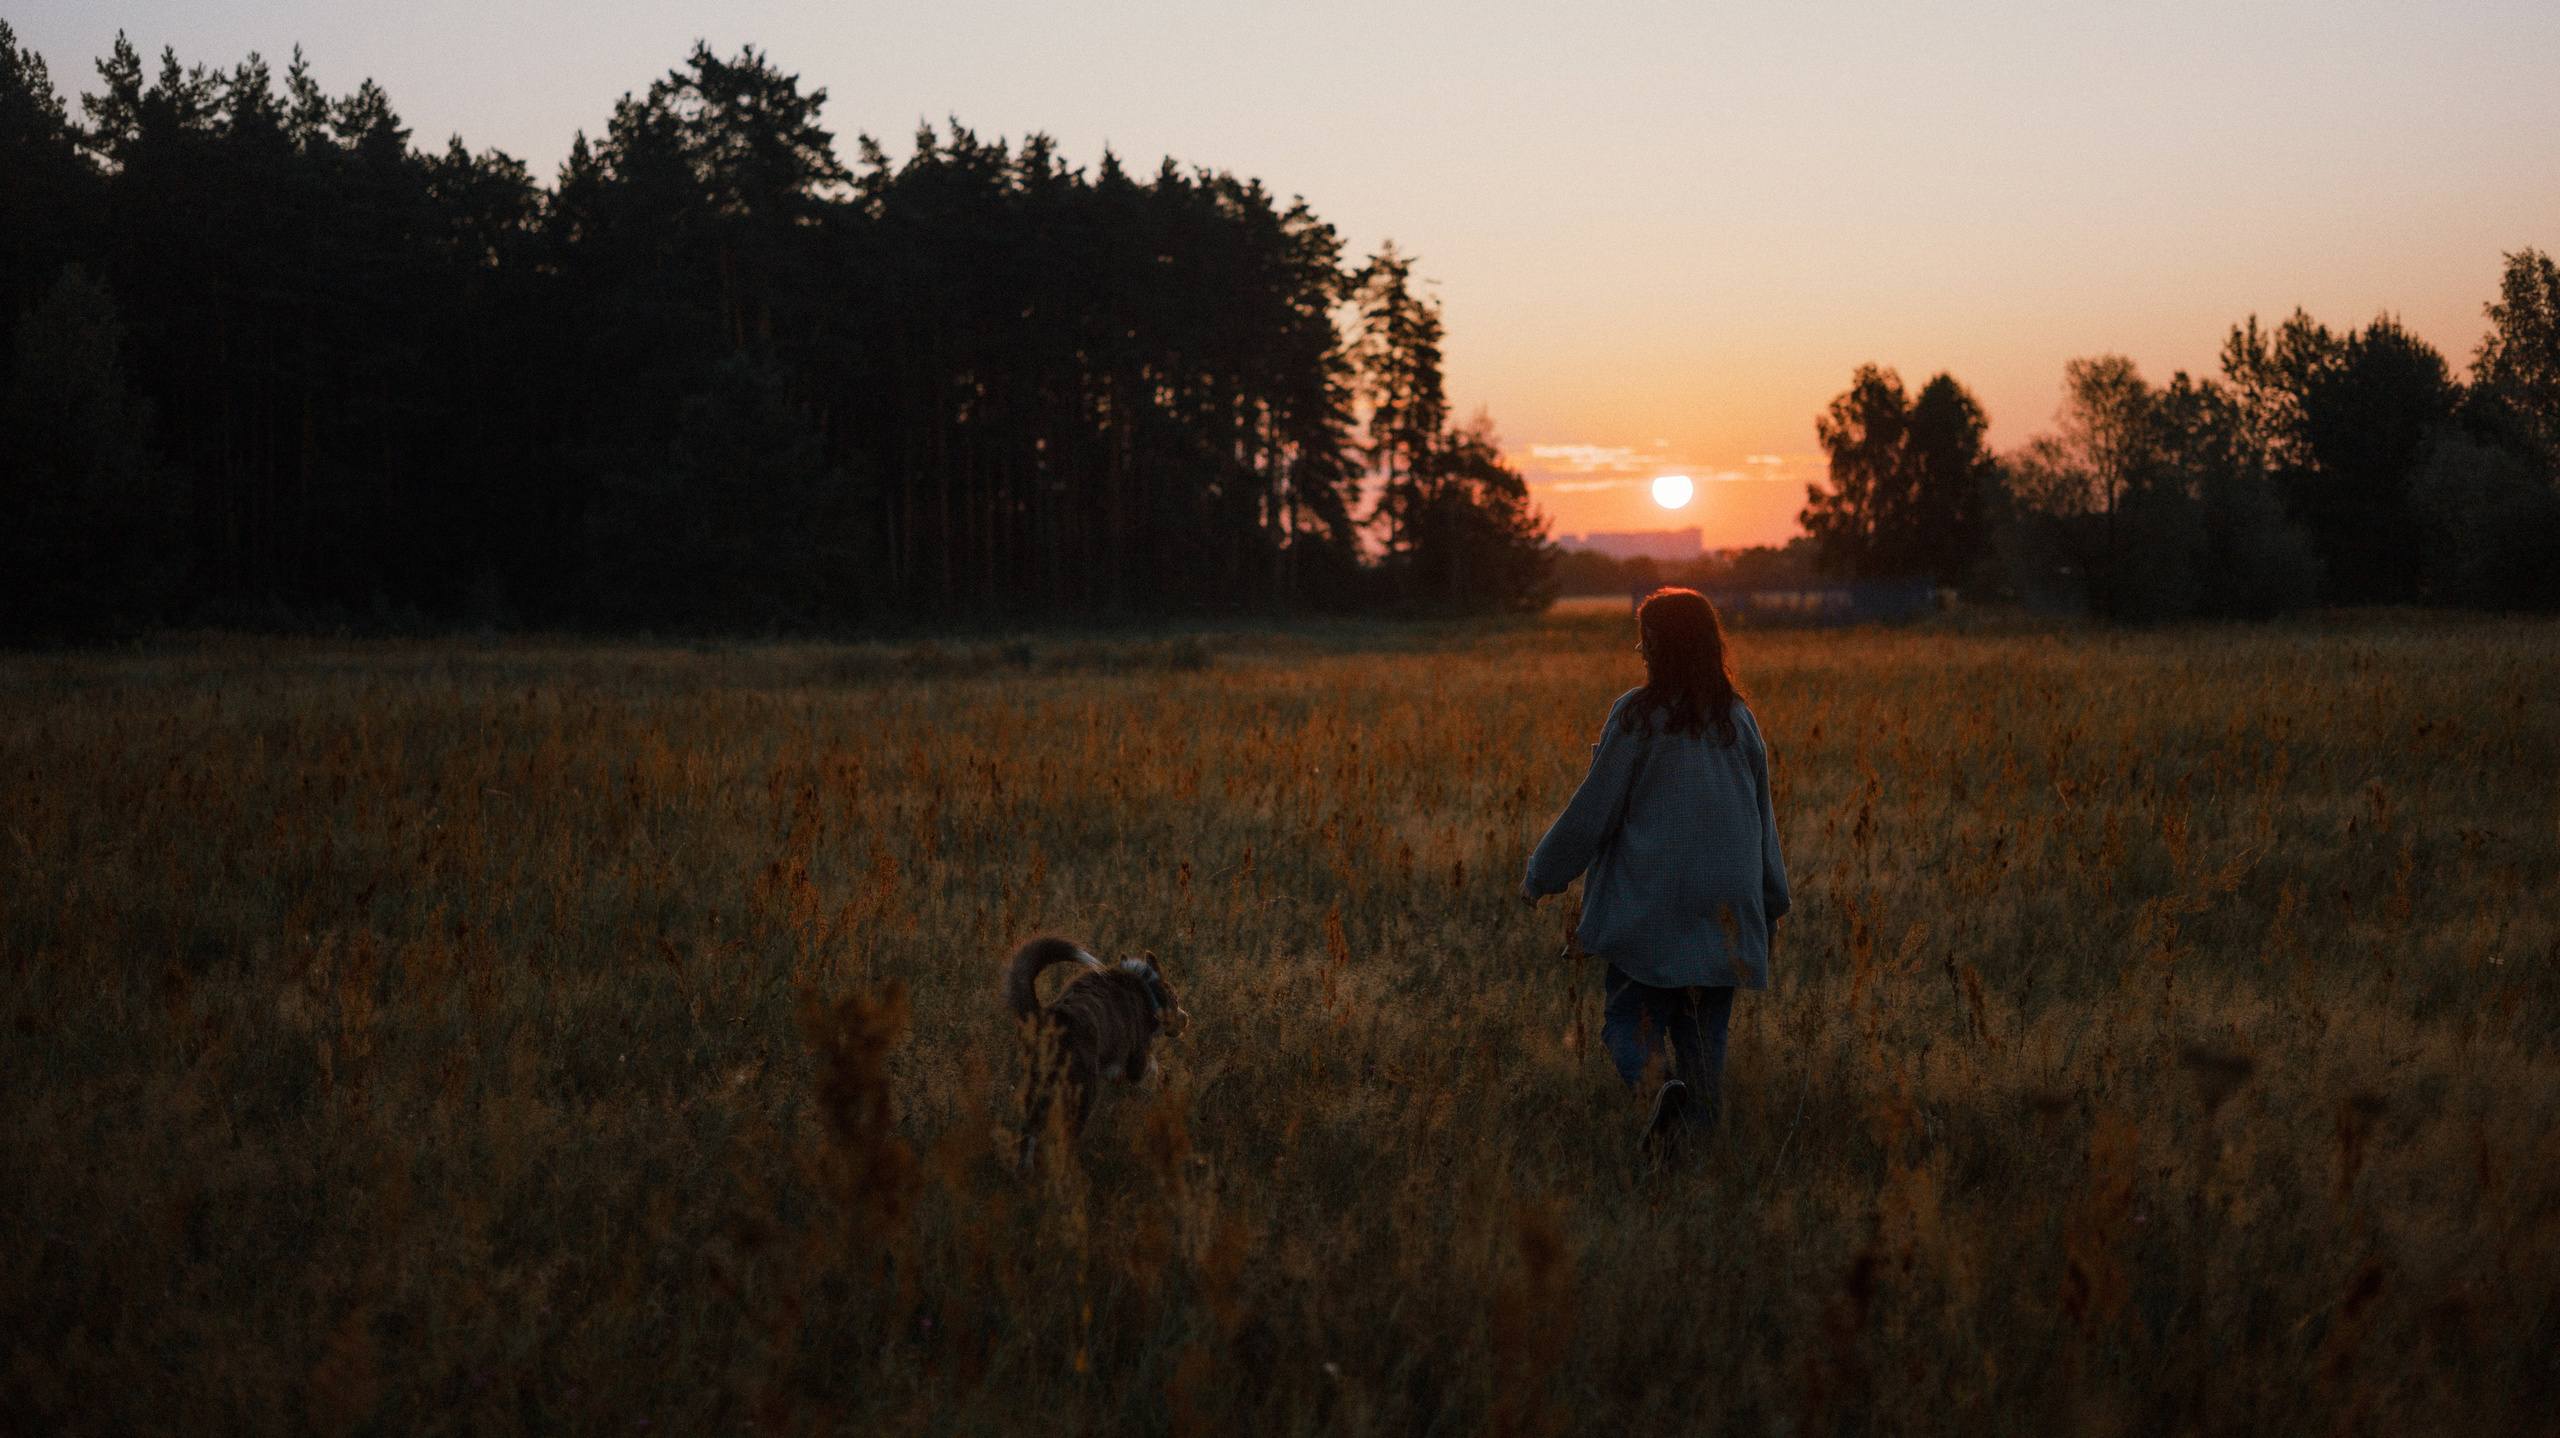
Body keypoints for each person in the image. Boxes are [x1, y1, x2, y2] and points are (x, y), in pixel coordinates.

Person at [1522, 587, 1789, 1154]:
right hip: (1727, 914)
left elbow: (1592, 812)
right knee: (1704, 1042)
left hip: (1653, 908)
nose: (1639, 650)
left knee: (1627, 1023)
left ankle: (1655, 1092)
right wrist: (1772, 901)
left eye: (1646, 638)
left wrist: (1542, 875)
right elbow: (1763, 818)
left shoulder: (1638, 716)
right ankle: (1693, 1161)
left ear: (1662, 647)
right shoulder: (1739, 720)